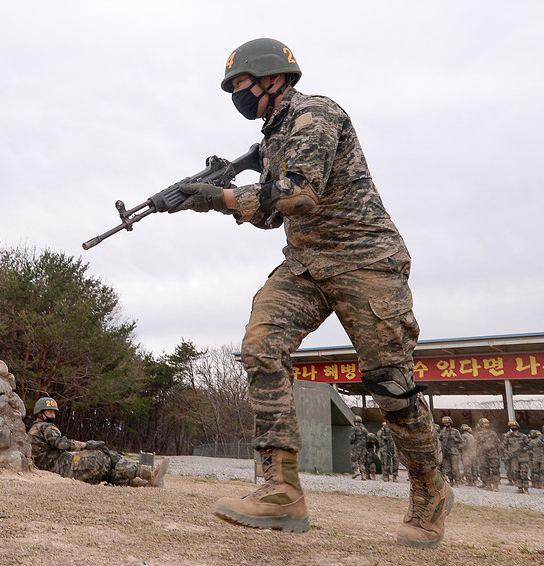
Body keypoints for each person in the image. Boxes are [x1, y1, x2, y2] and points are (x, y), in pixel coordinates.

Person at [169, 37, 450, 547]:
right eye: (231, 85)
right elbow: (273, 213)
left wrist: (222, 197)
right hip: (306, 264)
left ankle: (430, 489)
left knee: (390, 383)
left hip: (367, 261)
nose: (236, 92)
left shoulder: (314, 114)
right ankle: (280, 491)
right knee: (260, 346)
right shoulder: (272, 136)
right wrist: (218, 196)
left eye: (242, 82)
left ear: (274, 78)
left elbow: (299, 194)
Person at [27, 397, 168, 487]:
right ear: (41, 413)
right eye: (50, 412)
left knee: (106, 472)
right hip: (65, 467)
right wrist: (86, 445)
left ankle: (143, 484)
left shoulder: (33, 430)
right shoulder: (45, 427)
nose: (53, 415)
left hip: (59, 468)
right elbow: (61, 443)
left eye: (54, 412)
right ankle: (149, 475)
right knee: (106, 457)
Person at [474, 418, 501, 491]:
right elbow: (475, 444)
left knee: (495, 469)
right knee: (484, 469)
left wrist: (499, 452)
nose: (487, 425)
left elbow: (497, 443)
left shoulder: (492, 433)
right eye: (485, 423)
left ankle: (495, 486)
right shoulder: (478, 434)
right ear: (481, 425)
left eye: (487, 423)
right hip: (482, 454)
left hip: (493, 453)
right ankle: (487, 484)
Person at [504, 421, 530, 494]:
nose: (513, 428)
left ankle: (526, 488)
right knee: (516, 473)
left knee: (524, 473)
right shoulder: (508, 436)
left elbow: (528, 446)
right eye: (511, 427)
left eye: (514, 426)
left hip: (523, 458)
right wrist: (508, 453)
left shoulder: (523, 436)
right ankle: (519, 488)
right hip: (514, 458)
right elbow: (504, 446)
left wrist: (522, 450)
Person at [438, 416, 464, 487]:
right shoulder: (442, 432)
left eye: (448, 423)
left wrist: (456, 448)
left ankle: (457, 481)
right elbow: (439, 440)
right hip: (445, 452)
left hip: (453, 452)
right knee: (447, 468)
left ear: (451, 423)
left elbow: (462, 442)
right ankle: (451, 481)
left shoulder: (455, 431)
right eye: (445, 423)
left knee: (455, 468)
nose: (446, 424)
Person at [349, 415, 368, 479]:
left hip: (356, 447)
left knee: (353, 459)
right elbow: (367, 438)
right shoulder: (364, 429)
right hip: (363, 447)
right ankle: (363, 475)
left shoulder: (354, 428)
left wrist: (351, 442)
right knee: (362, 461)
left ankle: (356, 471)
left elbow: (352, 438)